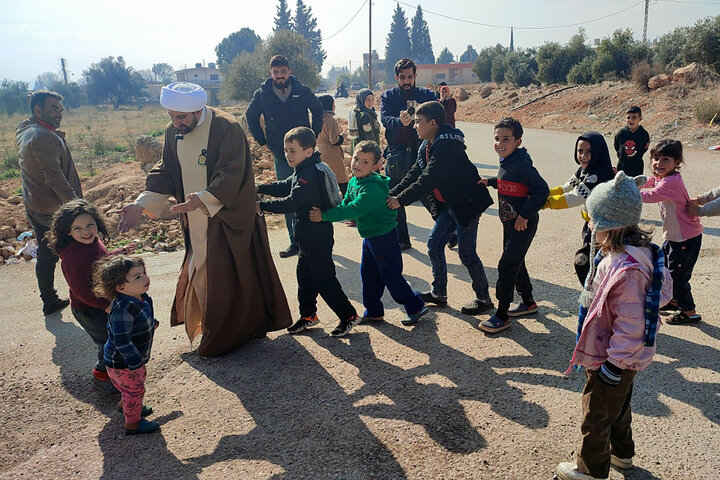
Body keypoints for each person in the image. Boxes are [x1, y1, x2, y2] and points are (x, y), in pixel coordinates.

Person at [118, 82, 292, 357]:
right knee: (203, 273)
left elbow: (231, 172)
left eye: (182, 117)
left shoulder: (227, 127)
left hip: (225, 216)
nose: (176, 122)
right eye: (172, 116)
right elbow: (167, 170)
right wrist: (141, 204)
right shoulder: (172, 131)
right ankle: (213, 330)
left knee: (225, 276)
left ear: (198, 110)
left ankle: (224, 336)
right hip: (194, 219)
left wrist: (204, 198)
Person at [556, 171, 672, 480]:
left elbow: (632, 322)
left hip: (615, 356)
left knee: (595, 413)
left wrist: (615, 364)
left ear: (612, 224)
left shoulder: (628, 269)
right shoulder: (637, 254)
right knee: (618, 407)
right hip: (621, 355)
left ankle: (590, 470)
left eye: (594, 220)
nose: (590, 226)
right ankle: (622, 454)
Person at [387, 101, 494, 315]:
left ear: (433, 123)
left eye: (418, 122)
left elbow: (428, 179)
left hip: (467, 205)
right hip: (451, 205)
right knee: (434, 245)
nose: (415, 126)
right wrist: (391, 193)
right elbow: (415, 173)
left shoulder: (446, 146)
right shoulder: (427, 146)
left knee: (467, 254)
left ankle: (484, 298)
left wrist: (400, 200)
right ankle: (439, 293)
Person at [310, 140, 428, 326]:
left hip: (384, 238)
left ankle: (415, 306)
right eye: (356, 159)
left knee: (390, 276)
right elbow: (345, 203)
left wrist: (324, 216)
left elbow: (353, 209)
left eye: (365, 162)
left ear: (375, 166)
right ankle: (373, 311)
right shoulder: (355, 181)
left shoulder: (372, 188)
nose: (358, 164)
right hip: (370, 237)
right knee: (368, 274)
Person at [257, 127, 360, 337]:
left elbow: (293, 201)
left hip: (317, 238)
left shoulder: (310, 174)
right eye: (286, 150)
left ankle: (348, 315)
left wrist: (262, 206)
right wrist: (261, 188)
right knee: (304, 278)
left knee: (324, 279)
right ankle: (308, 316)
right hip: (306, 238)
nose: (287, 155)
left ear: (309, 151)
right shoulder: (304, 169)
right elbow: (287, 186)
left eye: (292, 151)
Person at [47, 199, 134, 394]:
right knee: (108, 342)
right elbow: (80, 291)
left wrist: (120, 253)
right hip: (89, 309)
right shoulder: (72, 256)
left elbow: (99, 260)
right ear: (67, 231)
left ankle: (116, 374)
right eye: (77, 228)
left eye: (89, 225)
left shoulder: (93, 242)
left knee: (114, 338)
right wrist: (105, 305)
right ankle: (102, 379)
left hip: (100, 303)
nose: (85, 232)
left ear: (97, 223)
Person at [246, 55, 324, 258]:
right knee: (289, 195)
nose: (280, 76)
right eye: (275, 72)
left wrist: (313, 134)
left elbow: (317, 110)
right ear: (271, 73)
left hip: (306, 154)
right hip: (282, 155)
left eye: (283, 71)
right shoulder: (262, 95)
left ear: (289, 71)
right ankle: (295, 242)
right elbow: (251, 116)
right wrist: (262, 141)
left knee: (312, 194)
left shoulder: (302, 91)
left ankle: (316, 238)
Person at [480, 117, 549, 333]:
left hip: (522, 224)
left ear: (518, 141)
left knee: (507, 265)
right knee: (516, 262)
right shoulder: (507, 162)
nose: (500, 143)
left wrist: (524, 215)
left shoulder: (521, 164)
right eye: (497, 138)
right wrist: (490, 181)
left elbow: (541, 191)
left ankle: (502, 315)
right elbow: (509, 184)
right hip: (509, 224)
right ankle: (528, 302)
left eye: (506, 139)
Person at [16, 89, 82, 315]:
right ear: (38, 110)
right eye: (53, 109)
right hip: (54, 210)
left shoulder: (26, 130)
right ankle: (87, 301)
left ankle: (50, 300)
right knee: (79, 250)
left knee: (46, 255)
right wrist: (79, 207)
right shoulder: (43, 136)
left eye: (60, 110)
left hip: (35, 205)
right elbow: (55, 177)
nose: (59, 114)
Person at [93, 255, 160, 435]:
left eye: (144, 273)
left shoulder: (141, 298)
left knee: (132, 386)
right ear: (120, 286)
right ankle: (133, 423)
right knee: (136, 389)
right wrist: (135, 363)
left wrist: (151, 322)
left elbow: (141, 317)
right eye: (137, 277)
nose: (145, 278)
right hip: (123, 362)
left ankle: (127, 406)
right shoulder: (122, 309)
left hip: (130, 359)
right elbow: (122, 341)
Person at [640, 139, 703, 325]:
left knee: (678, 276)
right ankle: (674, 300)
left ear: (676, 163)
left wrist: (627, 190)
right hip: (674, 237)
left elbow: (650, 195)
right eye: (656, 158)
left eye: (665, 159)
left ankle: (689, 312)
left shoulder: (671, 182)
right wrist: (630, 181)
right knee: (667, 270)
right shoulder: (663, 177)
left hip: (685, 238)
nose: (658, 163)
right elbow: (650, 182)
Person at [381, 57, 437, 251]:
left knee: (429, 193)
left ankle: (448, 231)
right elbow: (385, 119)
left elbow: (438, 115)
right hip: (397, 153)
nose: (407, 81)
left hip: (423, 151)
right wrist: (399, 121)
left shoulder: (426, 94)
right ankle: (403, 239)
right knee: (394, 195)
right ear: (396, 77)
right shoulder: (389, 96)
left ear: (415, 76)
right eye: (403, 77)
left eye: (410, 77)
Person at [543, 132, 615, 284]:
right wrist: (543, 193)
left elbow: (575, 197)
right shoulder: (583, 170)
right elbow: (566, 188)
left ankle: (594, 297)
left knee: (583, 263)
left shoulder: (598, 174)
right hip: (590, 225)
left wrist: (546, 203)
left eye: (589, 152)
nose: (583, 156)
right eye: (580, 151)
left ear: (598, 152)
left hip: (604, 228)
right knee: (594, 263)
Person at [317, 95, 349, 196]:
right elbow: (334, 140)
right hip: (332, 154)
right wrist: (342, 137)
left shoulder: (317, 119)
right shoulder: (330, 120)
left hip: (321, 152)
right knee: (342, 180)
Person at [613, 106, 650, 177]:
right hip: (623, 165)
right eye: (628, 117)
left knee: (635, 185)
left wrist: (636, 156)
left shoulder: (643, 134)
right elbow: (617, 145)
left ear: (640, 118)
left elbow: (645, 147)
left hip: (637, 165)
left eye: (634, 117)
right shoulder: (621, 133)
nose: (631, 120)